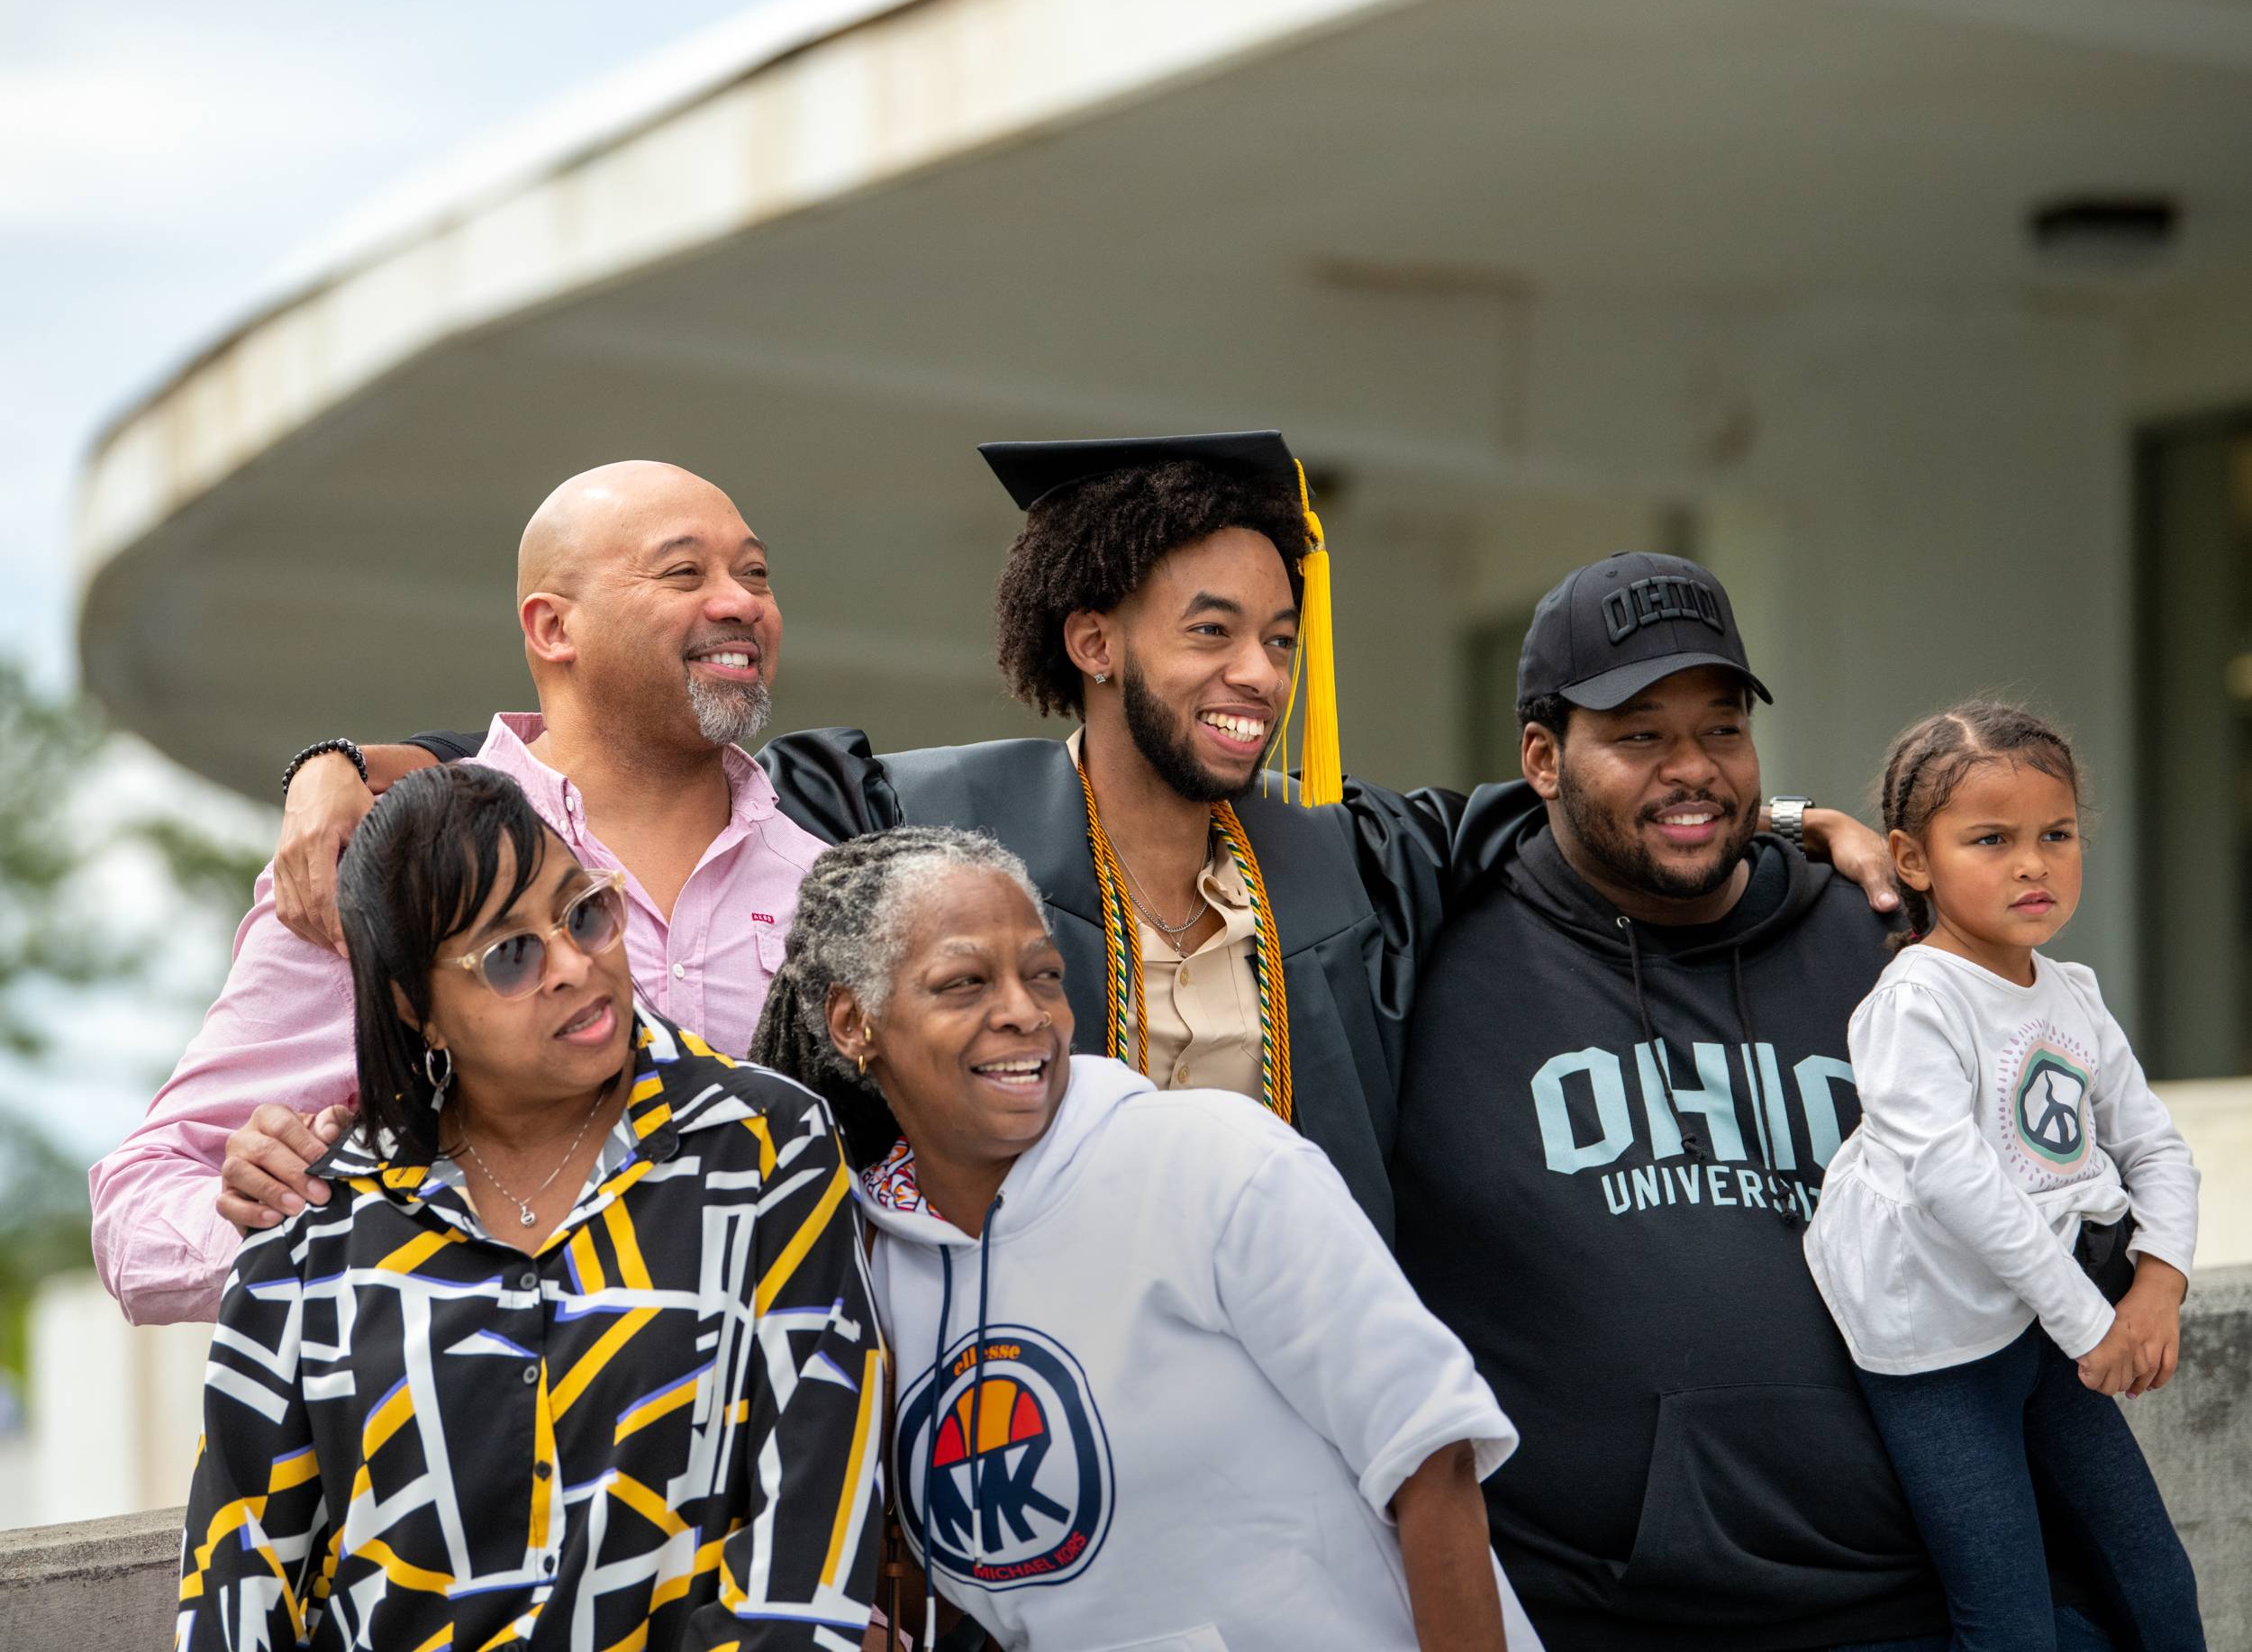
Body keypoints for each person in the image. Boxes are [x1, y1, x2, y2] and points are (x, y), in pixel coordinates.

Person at [278, 434, 1893, 1245]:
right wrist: (352, 762)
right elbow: (636, 740)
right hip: (1030, 1411)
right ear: (1098, 639)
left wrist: (1810, 817)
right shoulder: (931, 814)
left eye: (1277, 634)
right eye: (1210, 630)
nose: (1256, 674)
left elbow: (1609, 795)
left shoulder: (1354, 857)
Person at [1388, 554, 2117, 1651]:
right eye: (1638, 734)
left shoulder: (1884, 938)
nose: (1693, 769)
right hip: (1599, 1616)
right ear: (1541, 755)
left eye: (1721, 730)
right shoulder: (1431, 954)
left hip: (1915, 1604)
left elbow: (2060, 1169)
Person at [750, 824, 1540, 1652]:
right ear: (853, 1022)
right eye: (965, 983)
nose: (1024, 1013)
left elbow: (1431, 1460)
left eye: (1044, 976)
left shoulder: (1213, 1162)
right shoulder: (867, 1264)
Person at [90, 461, 828, 1323]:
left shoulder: (834, 883)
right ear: (554, 627)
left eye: (755, 573)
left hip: (775, 1439)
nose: (740, 602)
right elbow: (140, 1204)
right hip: (476, 1440)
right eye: (683, 573)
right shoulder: (383, 867)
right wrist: (310, 1224)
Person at [176, 762, 882, 1651]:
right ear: (415, 1006)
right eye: (510, 954)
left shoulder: (764, 1145)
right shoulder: (317, 1223)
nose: (573, 964)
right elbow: (240, 1575)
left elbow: (809, 1534)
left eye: (583, 911)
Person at [1803, 703, 2202, 1649]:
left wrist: (2158, 1289)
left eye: (2054, 834)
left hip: (2055, 1324)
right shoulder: (1913, 1004)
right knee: (2008, 1613)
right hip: (1938, 1348)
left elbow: (2155, 1148)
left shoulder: (2072, 993)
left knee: (2157, 1582)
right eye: (1991, 838)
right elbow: (1958, 1184)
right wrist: (2091, 1324)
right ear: (1911, 858)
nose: (2033, 862)